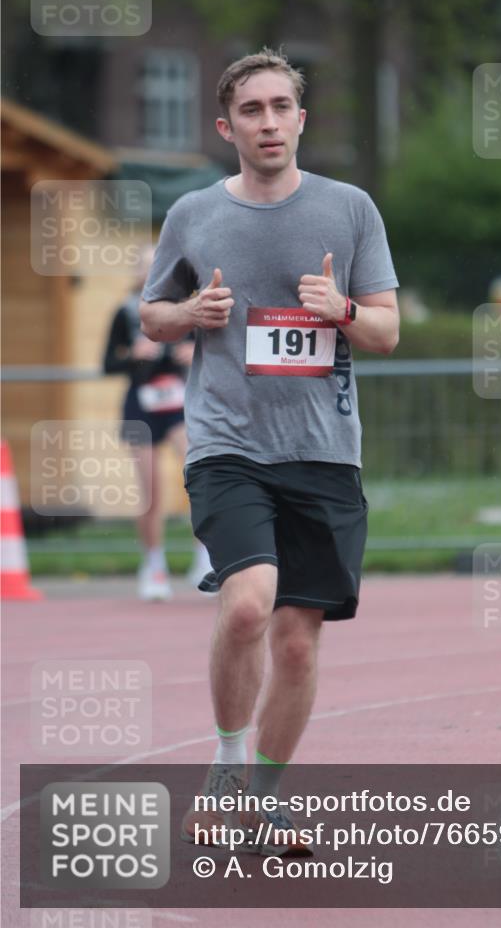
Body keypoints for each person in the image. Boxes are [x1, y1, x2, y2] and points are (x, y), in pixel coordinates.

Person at [139, 48, 400, 852]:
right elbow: (152, 317)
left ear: (301, 119)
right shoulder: (192, 215)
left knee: (295, 637)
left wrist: (340, 306)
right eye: (251, 110)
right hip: (227, 444)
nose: (268, 122)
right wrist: (191, 314)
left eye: (280, 107)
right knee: (248, 603)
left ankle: (265, 794)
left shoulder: (349, 209)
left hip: (323, 453)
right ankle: (222, 772)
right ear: (227, 127)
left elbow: (386, 331)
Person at [103, 246, 212, 601]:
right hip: (141, 405)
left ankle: (204, 559)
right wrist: (132, 356)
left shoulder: (187, 307)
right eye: (145, 268)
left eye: (158, 267)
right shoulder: (125, 311)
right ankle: (153, 564)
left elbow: (213, 353)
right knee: (151, 490)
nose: (151, 274)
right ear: (137, 273)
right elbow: (108, 364)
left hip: (181, 403)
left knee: (197, 478)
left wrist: (195, 354)